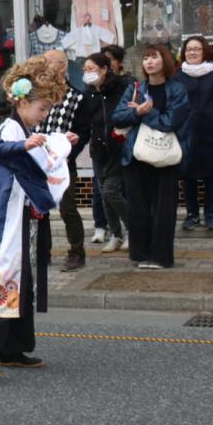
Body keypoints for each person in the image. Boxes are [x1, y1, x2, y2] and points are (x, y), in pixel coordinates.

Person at [0, 57, 73, 378]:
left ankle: (12, 347)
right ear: (22, 102)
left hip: (19, 216)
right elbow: (1, 149)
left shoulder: (25, 129)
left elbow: (35, 156)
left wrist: (58, 143)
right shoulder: (11, 128)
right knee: (4, 276)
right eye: (41, 108)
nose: (44, 114)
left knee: (20, 279)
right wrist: (28, 143)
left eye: (47, 109)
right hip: (6, 216)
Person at [112, 44, 190, 270]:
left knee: (164, 209)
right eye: (145, 58)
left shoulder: (177, 89)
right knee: (137, 207)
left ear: (164, 60)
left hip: (166, 156)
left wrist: (146, 113)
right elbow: (118, 117)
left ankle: (161, 257)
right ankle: (141, 255)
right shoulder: (136, 88)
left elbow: (171, 121)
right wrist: (136, 111)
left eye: (154, 57)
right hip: (136, 156)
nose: (149, 62)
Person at [39, 49, 87, 272]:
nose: (47, 67)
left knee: (67, 208)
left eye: (51, 63)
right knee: (40, 210)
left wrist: (69, 151)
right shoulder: (36, 94)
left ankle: (77, 252)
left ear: (62, 67)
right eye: (44, 63)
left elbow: (83, 131)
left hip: (63, 163)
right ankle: (43, 252)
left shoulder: (76, 96)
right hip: (37, 160)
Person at [175, 35, 213, 231]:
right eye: (189, 49)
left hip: (211, 130)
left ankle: (210, 215)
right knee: (188, 175)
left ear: (204, 51)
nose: (192, 52)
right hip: (186, 130)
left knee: (212, 176)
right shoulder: (178, 75)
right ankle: (192, 214)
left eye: (196, 49)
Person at [81, 52, 132, 254]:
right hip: (99, 149)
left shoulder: (121, 87)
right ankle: (116, 234)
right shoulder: (88, 93)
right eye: (84, 70)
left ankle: (134, 229)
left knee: (111, 190)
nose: (87, 73)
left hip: (119, 146)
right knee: (104, 194)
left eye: (92, 69)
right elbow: (86, 123)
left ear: (104, 69)